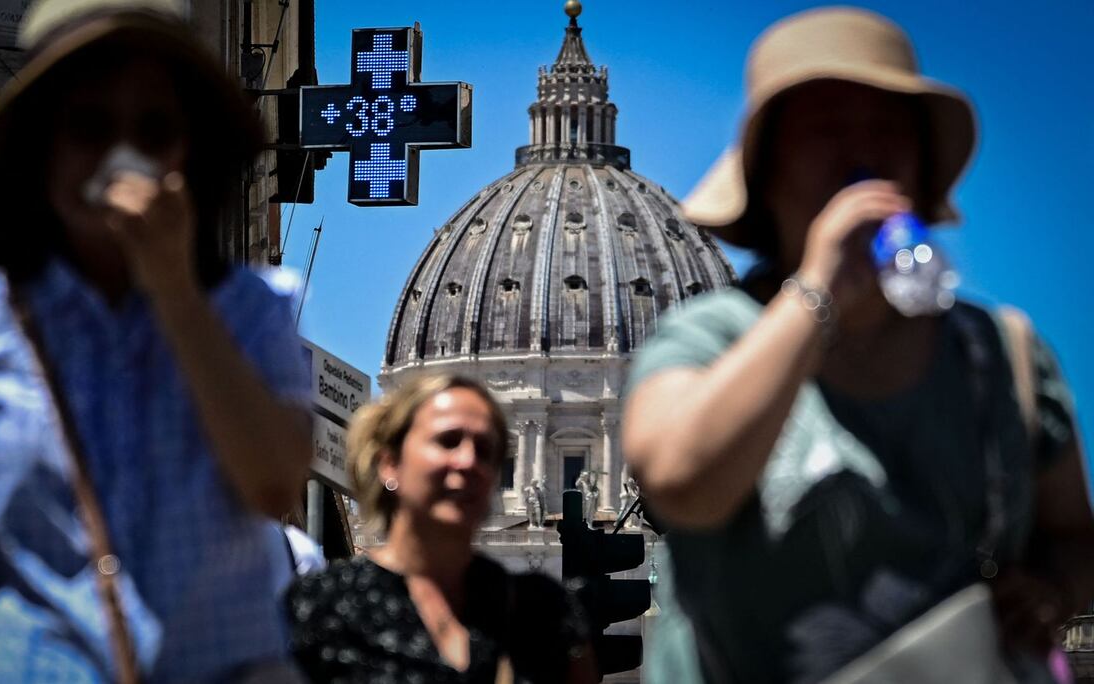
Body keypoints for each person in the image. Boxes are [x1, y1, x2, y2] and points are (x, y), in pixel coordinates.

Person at [622, 7, 1094, 683]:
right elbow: (680, 485)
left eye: (887, 128)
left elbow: (1077, 538)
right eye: (826, 129)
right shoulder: (707, 337)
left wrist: (1053, 592)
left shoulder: (1003, 356)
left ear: (923, 168)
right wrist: (817, 291)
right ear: (768, 172)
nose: (860, 153)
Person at [0, 0, 313, 681]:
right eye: (89, 127)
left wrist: (175, 290)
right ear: (40, 146)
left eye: (153, 129)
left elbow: (274, 483)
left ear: (190, 149)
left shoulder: (254, 310)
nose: (122, 157)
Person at [287, 374, 597, 683]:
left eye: (485, 450)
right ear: (389, 462)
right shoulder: (320, 608)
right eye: (447, 441)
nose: (467, 461)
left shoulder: (545, 613)